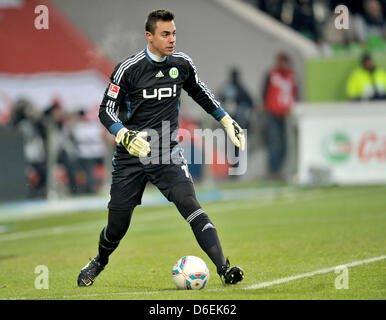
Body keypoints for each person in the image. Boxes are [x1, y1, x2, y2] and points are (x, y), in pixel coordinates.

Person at [77, 9, 245, 287]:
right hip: (131, 157)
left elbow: (200, 92)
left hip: (167, 153)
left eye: (174, 33)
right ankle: (99, 261)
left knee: (190, 205)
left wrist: (225, 119)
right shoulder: (128, 69)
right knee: (117, 227)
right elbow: (106, 110)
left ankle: (224, 269)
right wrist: (124, 135)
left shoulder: (182, 64)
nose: (172, 39)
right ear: (150, 36)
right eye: (165, 34)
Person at [261, 51, 297, 179]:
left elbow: (294, 93)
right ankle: (273, 171)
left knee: (286, 144)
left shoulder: (291, 76)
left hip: (286, 114)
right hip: (272, 113)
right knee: (274, 142)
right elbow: (264, 92)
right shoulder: (271, 74)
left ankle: (280, 169)